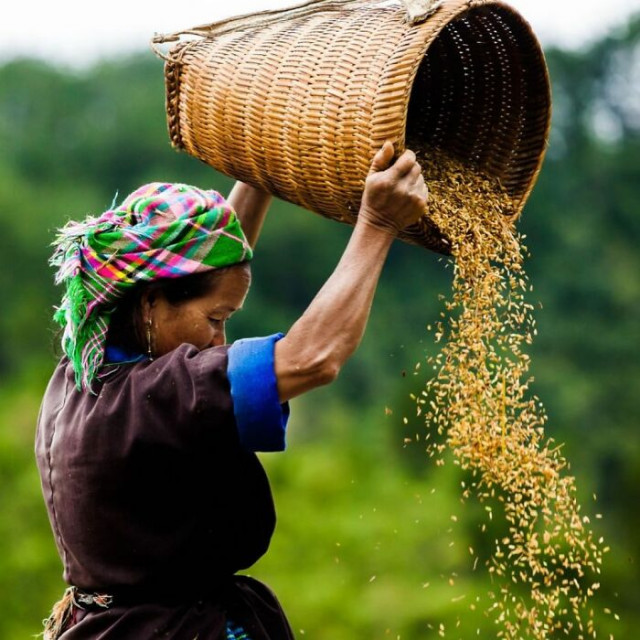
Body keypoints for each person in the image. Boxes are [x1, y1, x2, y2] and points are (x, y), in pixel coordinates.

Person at [36, 141, 428, 640]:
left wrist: (258, 173)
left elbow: (204, 274)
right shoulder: (163, 395)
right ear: (152, 301)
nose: (219, 340)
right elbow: (314, 357)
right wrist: (377, 226)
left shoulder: (79, 374)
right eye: (216, 320)